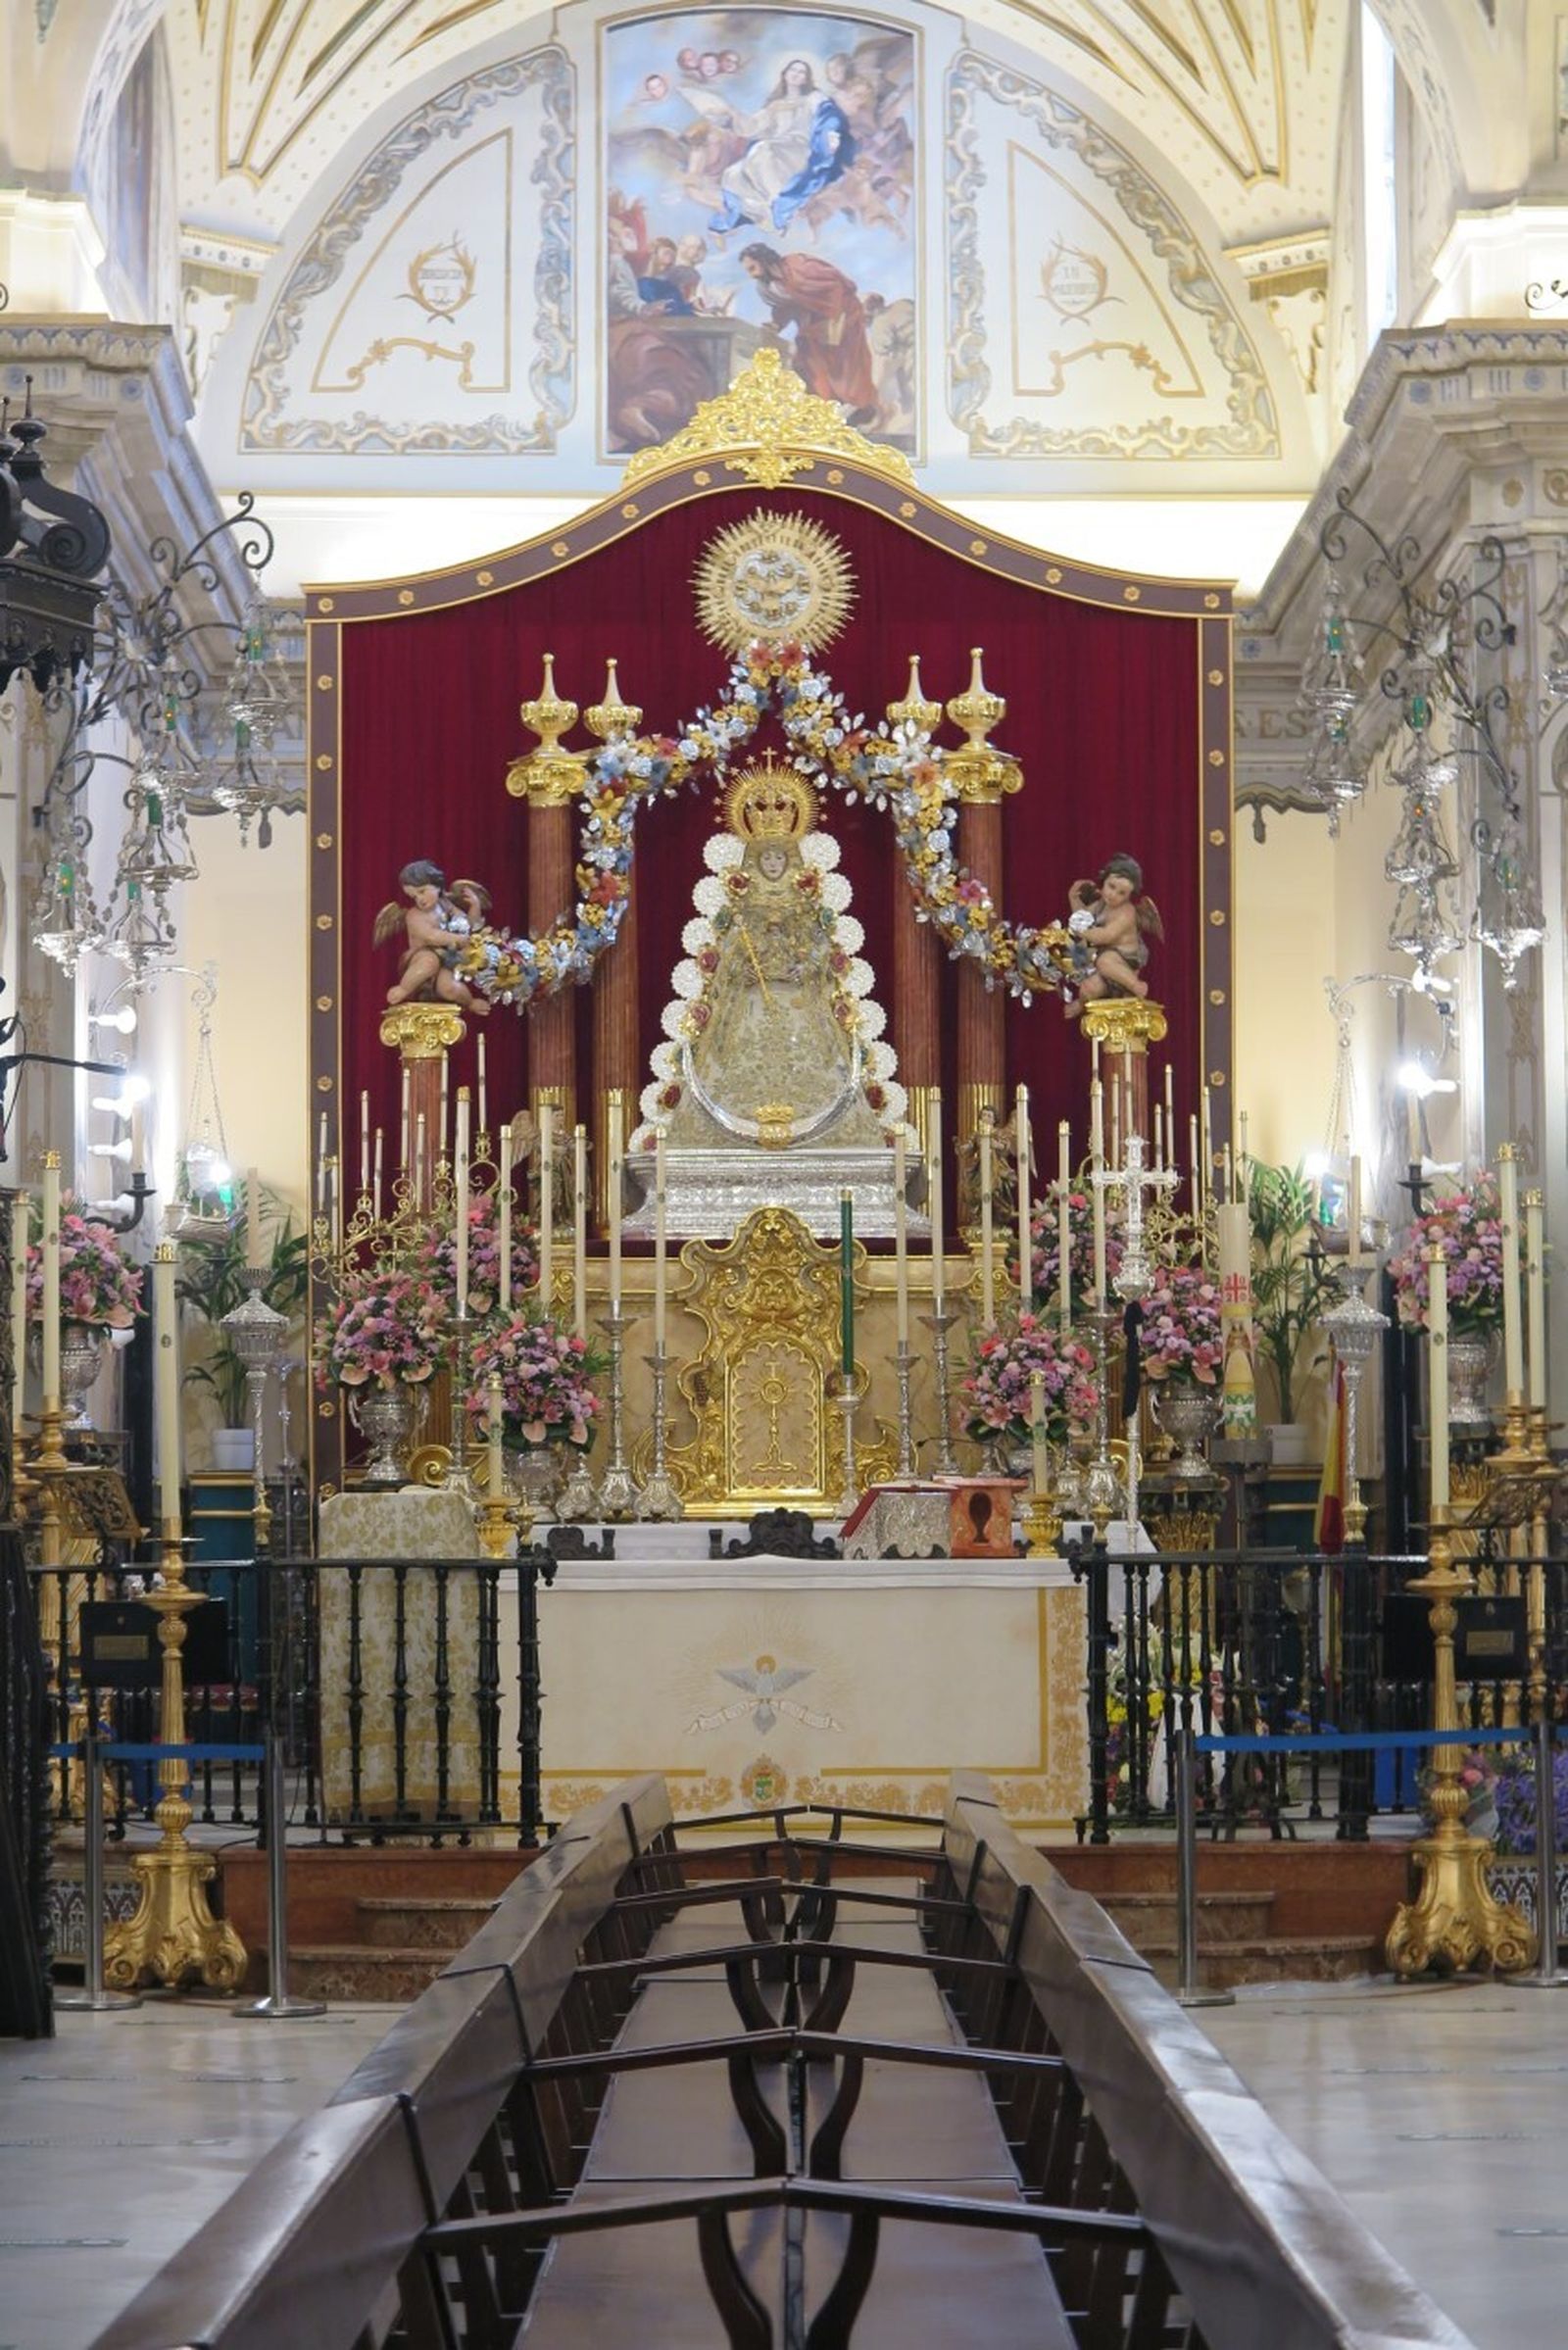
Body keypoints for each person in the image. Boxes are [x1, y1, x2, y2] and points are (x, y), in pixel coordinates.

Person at [686, 58, 854, 236]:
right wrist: (732, 113)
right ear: (785, 75)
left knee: (762, 149)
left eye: (801, 72)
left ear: (806, 78)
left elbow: (829, 116)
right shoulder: (775, 106)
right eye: (793, 70)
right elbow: (750, 127)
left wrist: (830, 135)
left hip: (800, 150)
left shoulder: (812, 98)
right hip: (777, 153)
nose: (796, 74)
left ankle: (779, 206)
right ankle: (762, 213)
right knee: (732, 175)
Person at [739, 242, 877, 421]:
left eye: (753, 268)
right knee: (806, 357)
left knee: (844, 363)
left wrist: (833, 321)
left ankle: (856, 406)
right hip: (813, 321)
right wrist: (776, 324)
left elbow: (837, 286)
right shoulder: (771, 284)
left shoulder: (801, 266)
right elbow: (786, 306)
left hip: (842, 313)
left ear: (764, 260)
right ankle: (824, 407)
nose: (752, 275)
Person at [374, 860, 493, 1015]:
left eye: (422, 891)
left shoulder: (446, 905)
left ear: (437, 885)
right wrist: (456, 939)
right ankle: (404, 988)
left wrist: (475, 907)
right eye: (414, 896)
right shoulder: (414, 916)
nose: (419, 899)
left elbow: (468, 927)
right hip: (421, 955)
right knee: (429, 962)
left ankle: (469, 1002)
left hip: (447, 957)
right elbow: (432, 936)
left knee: (449, 988)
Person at [1062, 853, 1163, 1015]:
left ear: (1129, 895)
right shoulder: (1101, 904)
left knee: (1105, 961)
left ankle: (1135, 986)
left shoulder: (1126, 913)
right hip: (1103, 965)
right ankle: (1081, 1004)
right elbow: (1083, 919)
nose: (1113, 895)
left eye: (1122, 893)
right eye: (1111, 886)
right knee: (1087, 989)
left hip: (1124, 963)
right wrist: (1074, 900)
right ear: (1104, 880)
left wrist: (1081, 931)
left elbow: (1105, 936)